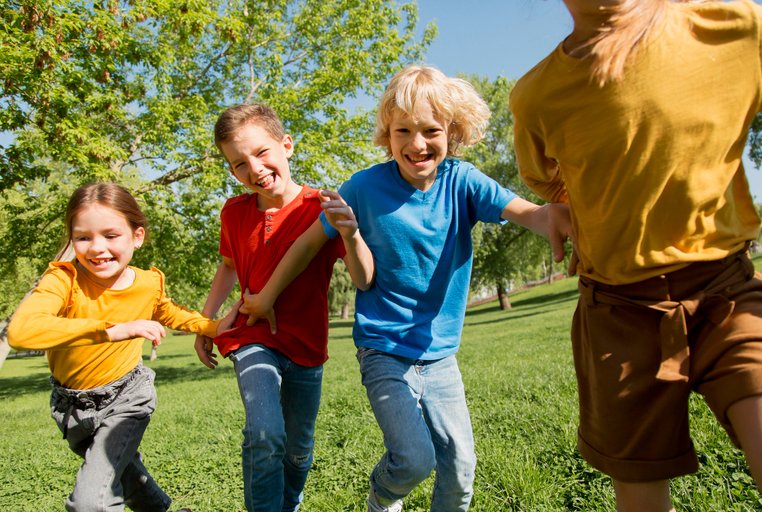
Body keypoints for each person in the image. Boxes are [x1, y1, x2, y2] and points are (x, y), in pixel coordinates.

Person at [238, 65, 574, 512]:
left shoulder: (463, 181)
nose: (417, 144)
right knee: (415, 460)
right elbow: (305, 245)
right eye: (403, 131)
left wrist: (553, 215)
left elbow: (526, 212)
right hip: (383, 349)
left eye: (431, 130)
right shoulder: (363, 187)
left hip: (439, 354)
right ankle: (382, 496)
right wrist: (266, 297)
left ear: (451, 132)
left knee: (460, 470)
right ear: (387, 134)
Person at [509, 1, 762, 510]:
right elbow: (549, 179)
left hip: (726, 291)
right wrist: (575, 207)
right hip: (617, 314)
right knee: (640, 487)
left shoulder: (734, 29)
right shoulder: (537, 95)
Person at [7, 182, 237, 512]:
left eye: (111, 235)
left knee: (91, 503)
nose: (96, 248)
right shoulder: (63, 280)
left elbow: (168, 311)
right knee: (128, 475)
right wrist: (112, 330)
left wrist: (212, 327)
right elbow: (22, 330)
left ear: (137, 237)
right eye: (83, 237)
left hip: (127, 398)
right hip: (71, 408)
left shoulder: (147, 283)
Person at [192, 103, 374, 512]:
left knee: (298, 448)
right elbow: (227, 268)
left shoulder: (321, 207)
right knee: (265, 433)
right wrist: (207, 322)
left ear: (286, 145)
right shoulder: (233, 212)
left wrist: (352, 234)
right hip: (252, 335)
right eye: (239, 163)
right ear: (231, 171)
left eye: (261, 153)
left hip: (307, 345)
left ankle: (289, 503)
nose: (253, 169)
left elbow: (363, 278)